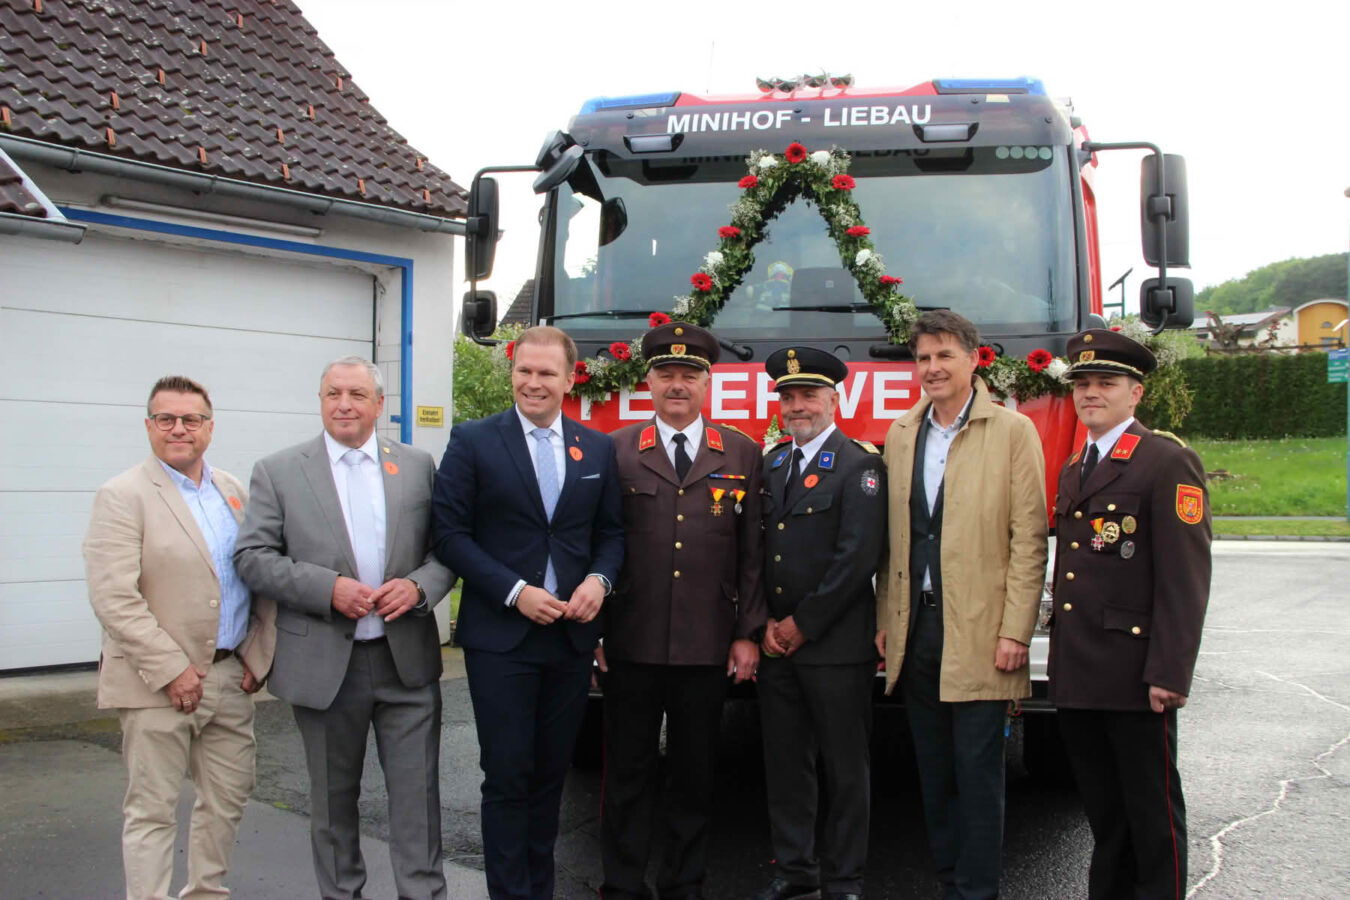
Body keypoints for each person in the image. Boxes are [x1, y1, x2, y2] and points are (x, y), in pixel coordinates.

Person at [233, 357, 454, 900]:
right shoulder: (279, 470)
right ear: (321, 399)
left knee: (418, 800)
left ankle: (422, 894)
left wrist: (420, 586)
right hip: (326, 667)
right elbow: (252, 556)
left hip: (407, 664)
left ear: (380, 404)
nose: (344, 404)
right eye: (333, 393)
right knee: (333, 801)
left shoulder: (419, 464)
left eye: (357, 393)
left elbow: (447, 550)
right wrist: (326, 588)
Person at [432, 325, 625, 900]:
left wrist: (599, 579)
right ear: (511, 372)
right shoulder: (473, 441)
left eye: (546, 373)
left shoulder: (596, 447)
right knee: (509, 778)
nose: (533, 382)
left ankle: (540, 889)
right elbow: (449, 534)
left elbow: (611, 533)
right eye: (524, 370)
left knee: (549, 780)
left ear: (570, 379)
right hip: (502, 641)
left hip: (569, 640)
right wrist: (515, 591)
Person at [874, 310, 1049, 900]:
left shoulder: (1012, 432)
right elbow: (892, 540)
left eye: (945, 355)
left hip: (981, 631)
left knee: (978, 775)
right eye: (923, 358)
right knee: (934, 769)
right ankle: (949, 879)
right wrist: (884, 621)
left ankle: (978, 890)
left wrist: (1017, 631)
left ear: (974, 360)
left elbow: (1030, 538)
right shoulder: (901, 435)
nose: (933, 368)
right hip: (916, 628)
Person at [83, 375, 276, 900]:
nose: (179, 429)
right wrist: (172, 670)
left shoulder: (234, 492)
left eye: (191, 419)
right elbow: (114, 597)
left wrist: (258, 655)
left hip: (229, 678)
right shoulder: (122, 496)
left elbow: (261, 576)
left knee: (227, 798)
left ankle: (206, 892)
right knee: (151, 809)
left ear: (209, 428)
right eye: (166, 419)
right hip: (157, 684)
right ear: (149, 426)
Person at [599, 322, 765, 900]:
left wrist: (748, 634)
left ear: (706, 383)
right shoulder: (616, 449)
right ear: (648, 381)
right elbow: (597, 542)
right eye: (666, 374)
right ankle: (620, 884)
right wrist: (595, 629)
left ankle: (684, 883)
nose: (677, 385)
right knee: (626, 773)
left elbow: (752, 556)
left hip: (706, 642)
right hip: (631, 639)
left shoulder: (741, 450)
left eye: (688, 375)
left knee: (695, 776)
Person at [1049, 328, 1211, 899]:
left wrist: (1169, 671)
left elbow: (1184, 578)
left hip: (1135, 672)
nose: (1092, 393)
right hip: (1080, 671)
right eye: (1083, 384)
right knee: (1104, 814)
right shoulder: (1075, 467)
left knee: (1152, 812)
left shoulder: (1166, 461)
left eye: (1106, 383)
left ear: (1135, 392)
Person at [753, 347, 886, 900]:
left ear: (835, 399)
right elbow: (758, 551)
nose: (798, 406)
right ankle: (795, 871)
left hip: (833, 647)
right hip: (777, 646)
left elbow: (857, 558)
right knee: (786, 766)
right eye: (789, 396)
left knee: (845, 769)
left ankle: (846, 879)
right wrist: (763, 622)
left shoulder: (861, 465)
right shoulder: (774, 463)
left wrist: (801, 625)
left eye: (810, 395)